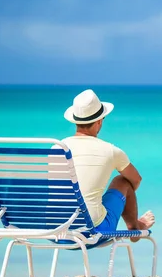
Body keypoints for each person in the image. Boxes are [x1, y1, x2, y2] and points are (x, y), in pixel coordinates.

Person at [60, 89, 154, 241]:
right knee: (122, 181)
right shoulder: (110, 150)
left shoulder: (58, 148)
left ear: (75, 120)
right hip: (92, 234)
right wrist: (120, 202)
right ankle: (135, 226)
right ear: (99, 121)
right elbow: (136, 179)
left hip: (56, 230)